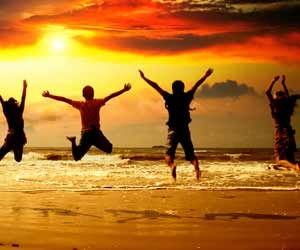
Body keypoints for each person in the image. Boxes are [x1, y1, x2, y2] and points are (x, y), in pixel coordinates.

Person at [139, 68, 213, 180]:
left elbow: (156, 86)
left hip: (173, 129)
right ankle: (196, 167)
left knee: (169, 154)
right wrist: (206, 75)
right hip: (184, 129)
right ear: (183, 88)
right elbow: (196, 84)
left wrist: (144, 78)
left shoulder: (169, 98)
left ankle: (172, 166)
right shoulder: (187, 97)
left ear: (173, 89)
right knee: (190, 154)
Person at [42, 83, 131, 161]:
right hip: (96, 132)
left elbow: (64, 99)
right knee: (109, 149)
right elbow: (111, 96)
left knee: (77, 157)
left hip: (86, 134)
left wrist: (49, 95)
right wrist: (124, 90)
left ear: (83, 95)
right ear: (93, 94)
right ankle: (93, 142)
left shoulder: (80, 105)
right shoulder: (97, 102)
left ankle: (73, 141)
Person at [266, 75, 300, 170]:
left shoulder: (276, 105)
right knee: (290, 157)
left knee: (280, 159)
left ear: (276, 97)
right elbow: (288, 97)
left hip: (281, 133)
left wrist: (273, 81)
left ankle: (295, 167)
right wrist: (283, 84)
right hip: (288, 131)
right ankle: (294, 166)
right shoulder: (288, 105)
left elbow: (267, 92)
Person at [0, 80, 27, 162]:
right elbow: (23, 99)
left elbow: (1, 100)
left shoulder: (7, 112)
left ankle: (14, 147)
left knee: (17, 158)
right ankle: (14, 147)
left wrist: (24, 88)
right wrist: (24, 88)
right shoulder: (19, 111)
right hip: (18, 138)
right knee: (18, 159)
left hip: (13, 138)